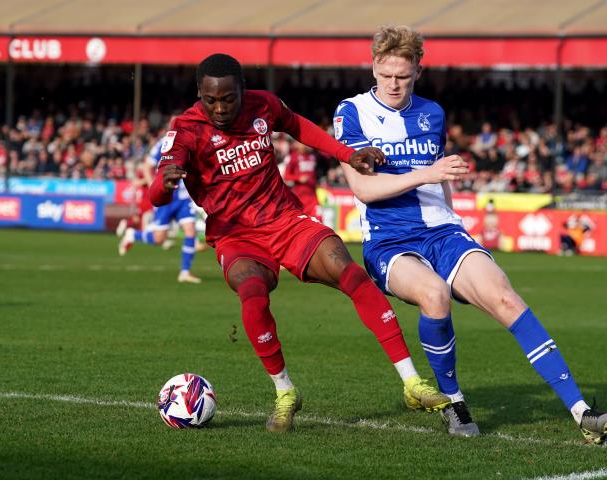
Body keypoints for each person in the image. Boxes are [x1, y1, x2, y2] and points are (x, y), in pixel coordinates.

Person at [335, 24, 607, 443]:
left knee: (505, 297)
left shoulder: (432, 113)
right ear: (373, 67)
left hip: (443, 231)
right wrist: (426, 173)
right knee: (434, 295)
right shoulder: (351, 113)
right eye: (386, 74)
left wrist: (452, 213)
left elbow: (441, 175)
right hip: (389, 241)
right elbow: (363, 188)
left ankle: (582, 412)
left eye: (403, 76)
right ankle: (454, 402)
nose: (393, 84)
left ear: (418, 71)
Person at [149, 53, 449, 433]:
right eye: (211, 100)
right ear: (199, 94)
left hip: (285, 220)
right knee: (252, 291)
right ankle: (285, 391)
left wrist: (348, 155)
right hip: (235, 235)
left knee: (349, 272)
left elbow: (298, 126)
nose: (220, 108)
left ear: (243, 90)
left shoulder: (263, 105)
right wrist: (166, 184)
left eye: (228, 98)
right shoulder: (186, 130)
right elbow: (156, 195)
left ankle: (412, 383)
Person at [119, 137, 202, 284]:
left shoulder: (192, 139)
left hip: (183, 198)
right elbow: (147, 166)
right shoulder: (164, 143)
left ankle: (185, 272)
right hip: (166, 197)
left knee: (190, 231)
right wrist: (154, 186)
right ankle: (133, 234)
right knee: (159, 239)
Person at [282, 141, 321, 220]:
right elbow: (286, 176)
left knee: (319, 219)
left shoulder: (313, 156)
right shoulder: (293, 157)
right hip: (299, 197)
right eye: (301, 143)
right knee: (303, 221)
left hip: (312, 196)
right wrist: (298, 178)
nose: (304, 145)